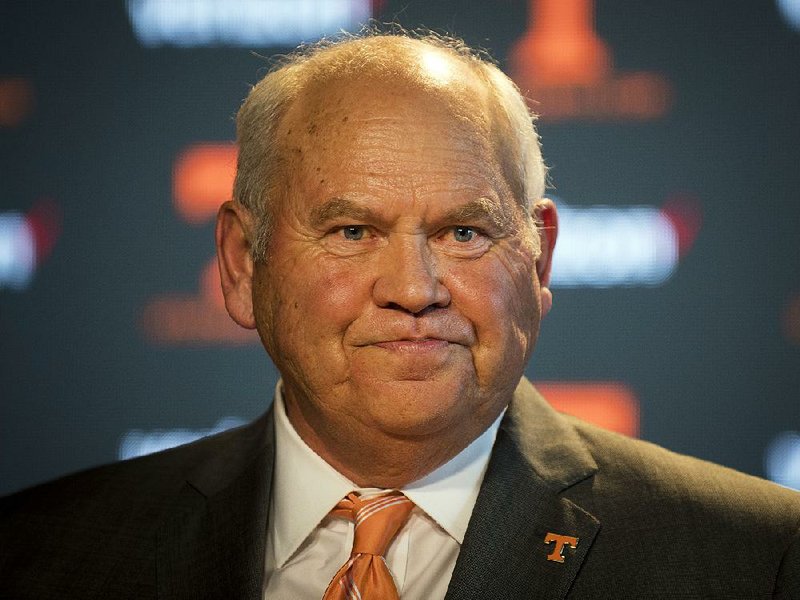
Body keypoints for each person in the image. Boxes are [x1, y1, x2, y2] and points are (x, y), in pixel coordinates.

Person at [1, 30, 799, 600]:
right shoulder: (43, 556)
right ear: (244, 264)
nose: (415, 288)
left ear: (541, 259)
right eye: (352, 231)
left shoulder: (756, 558)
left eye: (463, 232)